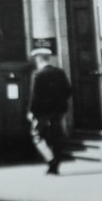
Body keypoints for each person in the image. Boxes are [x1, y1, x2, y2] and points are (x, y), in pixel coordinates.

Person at [28, 46, 74, 175]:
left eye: (37, 59)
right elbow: (68, 91)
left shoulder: (38, 74)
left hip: (42, 112)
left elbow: (35, 96)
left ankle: (51, 159)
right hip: (58, 111)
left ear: (39, 59)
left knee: (37, 136)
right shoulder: (60, 72)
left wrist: (31, 111)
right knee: (55, 137)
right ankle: (55, 166)